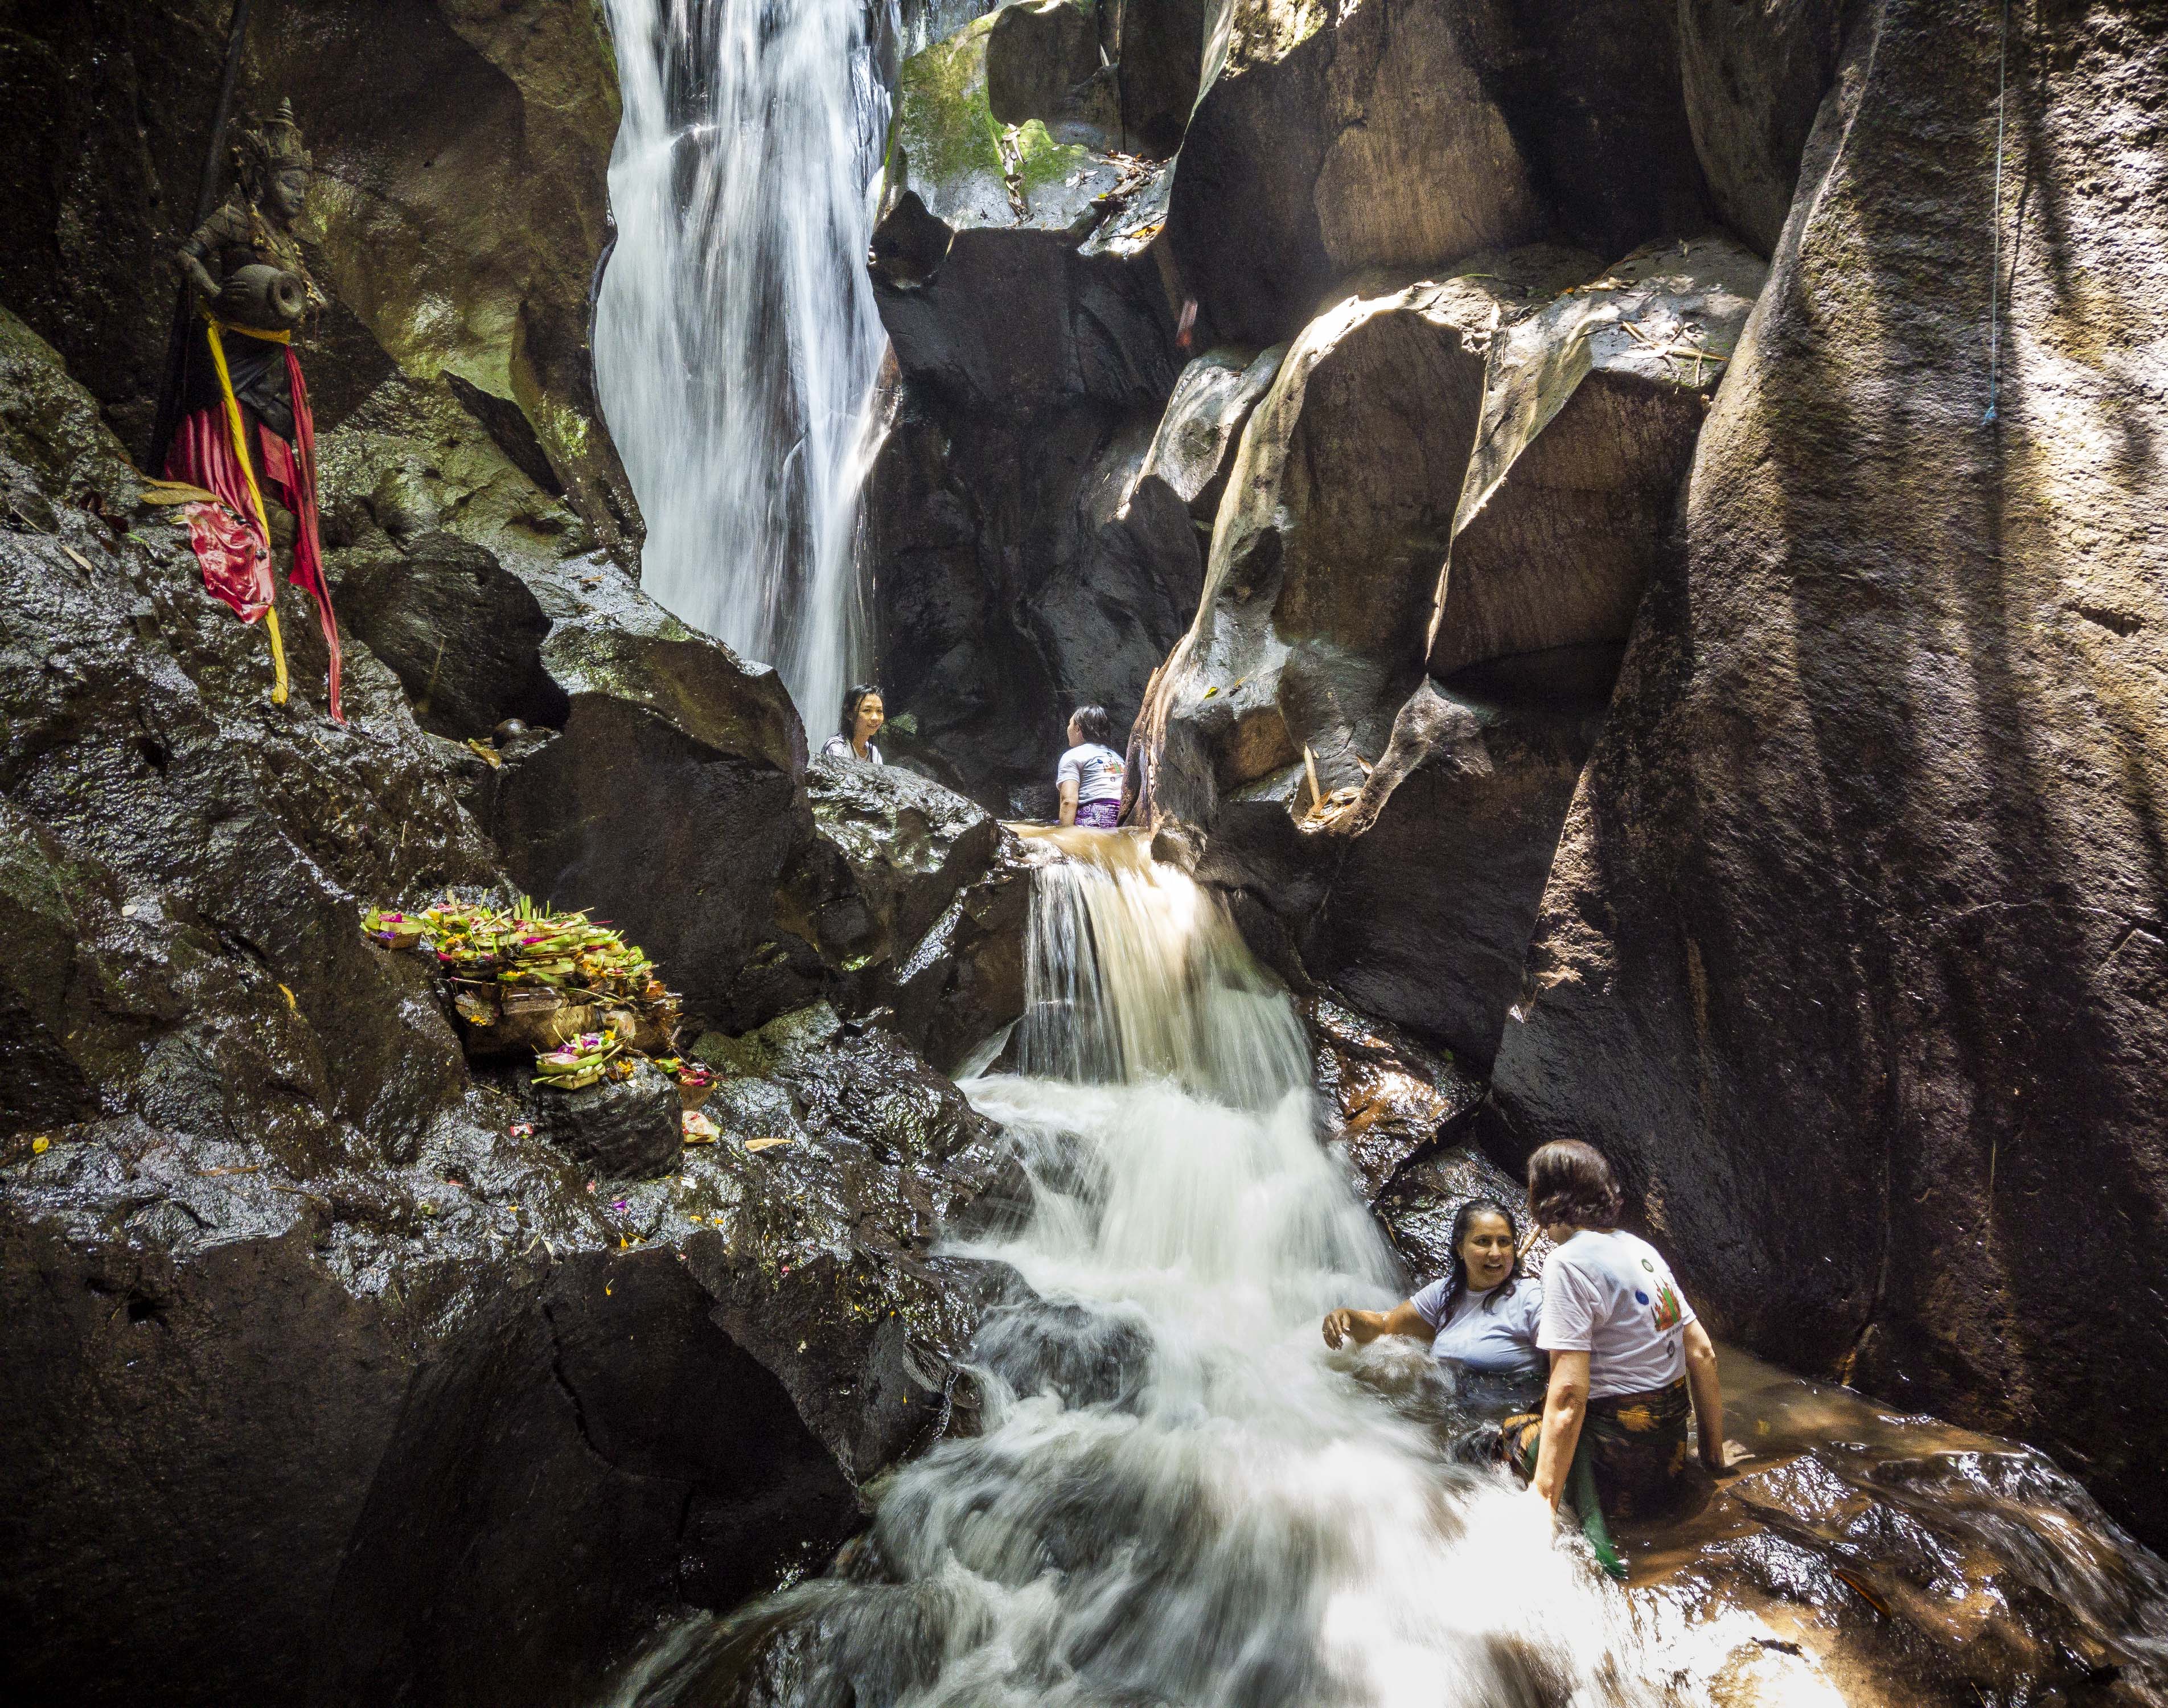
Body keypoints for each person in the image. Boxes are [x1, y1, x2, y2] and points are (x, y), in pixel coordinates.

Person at [1510, 1140, 1727, 1576]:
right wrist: (1712, 1460)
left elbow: (1569, 1393)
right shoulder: (1640, 1250)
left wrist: (1543, 1498)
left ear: (1543, 1200)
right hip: (1667, 1464)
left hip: (1614, 1473)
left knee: (1508, 1434)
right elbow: (1703, 1353)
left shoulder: (1567, 1263)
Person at [1320, 1199, 1544, 1383]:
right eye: (1483, 1242)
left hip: (1510, 1410)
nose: (1496, 1253)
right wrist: (1348, 1317)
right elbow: (1385, 1326)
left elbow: (1563, 1361)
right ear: (1460, 1248)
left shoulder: (1530, 1297)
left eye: (1504, 1242)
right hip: (1457, 1410)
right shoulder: (1445, 1293)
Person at [1057, 705, 1124, 828]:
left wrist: (1065, 835)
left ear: (1078, 729)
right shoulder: (1117, 757)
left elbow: (1068, 801)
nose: (1068, 728)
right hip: (1123, 816)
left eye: (1070, 724)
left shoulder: (1072, 755)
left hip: (1094, 815)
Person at [823, 684, 885, 763]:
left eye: (879, 711)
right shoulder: (837, 746)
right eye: (867, 710)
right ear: (850, 715)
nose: (875, 718)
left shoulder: (874, 753)